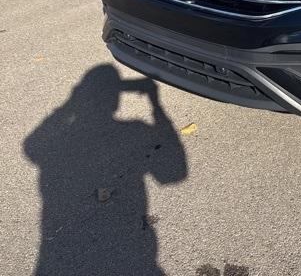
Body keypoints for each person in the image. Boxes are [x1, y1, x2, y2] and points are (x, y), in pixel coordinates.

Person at [24, 64, 187, 275]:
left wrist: (70, 104)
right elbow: (174, 174)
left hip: (53, 257)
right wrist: (155, 103)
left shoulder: (68, 137)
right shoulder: (137, 130)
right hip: (138, 254)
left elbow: (32, 146)